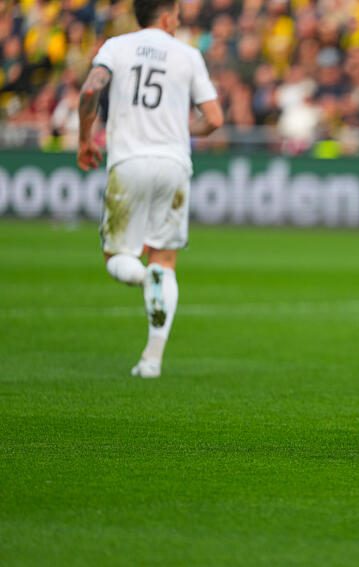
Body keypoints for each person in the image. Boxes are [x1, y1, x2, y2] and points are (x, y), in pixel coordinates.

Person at [77, 0, 223, 378]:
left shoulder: (115, 46)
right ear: (166, 16)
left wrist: (84, 138)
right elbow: (215, 119)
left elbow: (90, 90)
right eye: (176, 13)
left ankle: (144, 278)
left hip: (128, 161)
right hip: (174, 165)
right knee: (166, 261)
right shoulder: (188, 55)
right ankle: (151, 360)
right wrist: (178, 129)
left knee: (116, 257)